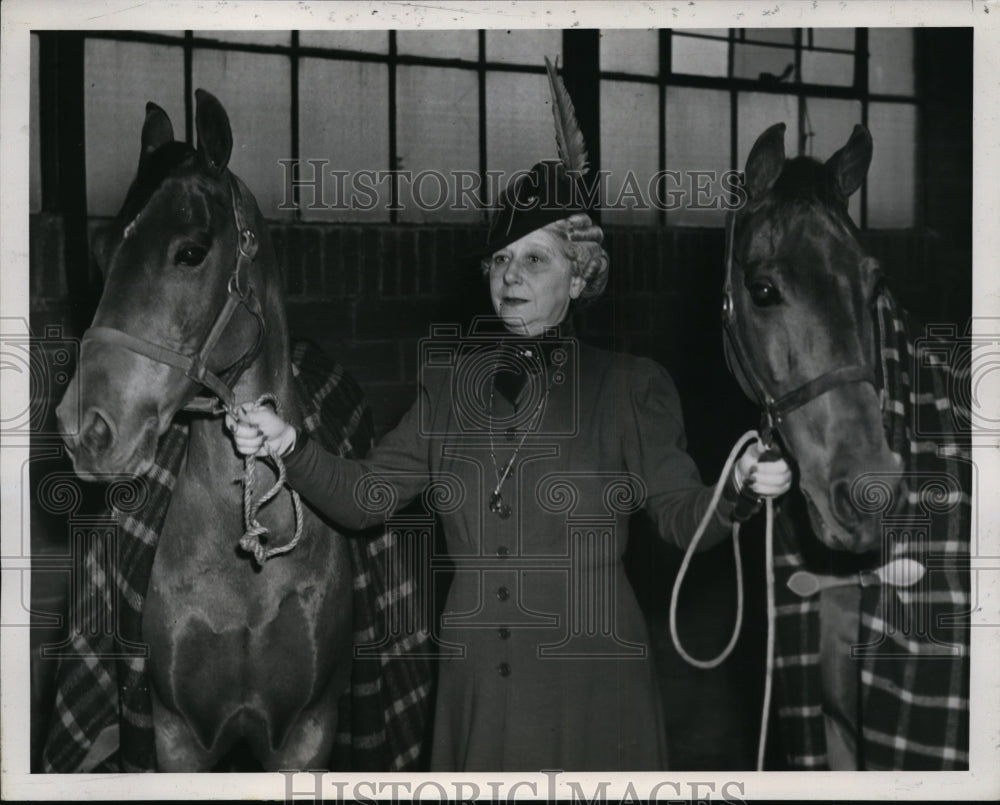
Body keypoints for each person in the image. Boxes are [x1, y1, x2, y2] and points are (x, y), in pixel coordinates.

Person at [226, 158, 791, 771]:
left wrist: (737, 489)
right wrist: (289, 444)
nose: (510, 276)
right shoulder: (448, 388)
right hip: (479, 682)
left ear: (579, 279)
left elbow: (684, 518)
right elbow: (366, 498)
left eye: (535, 259)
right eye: (500, 259)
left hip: (591, 680)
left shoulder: (631, 386)